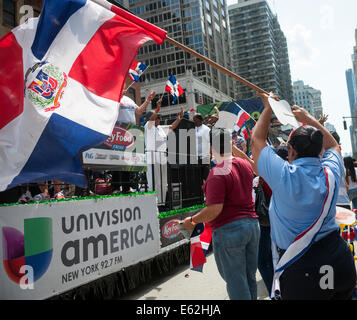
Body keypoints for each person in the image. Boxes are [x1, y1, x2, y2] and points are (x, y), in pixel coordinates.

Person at [251, 92, 356, 300]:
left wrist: (268, 107)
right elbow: (333, 145)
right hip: (340, 260)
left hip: (303, 270)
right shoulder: (331, 172)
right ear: (319, 152)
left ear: (290, 151)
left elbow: (256, 139)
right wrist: (308, 119)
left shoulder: (283, 175)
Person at [180, 128, 260, 300]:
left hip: (230, 230)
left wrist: (192, 220)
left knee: (236, 281)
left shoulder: (217, 172)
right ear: (231, 143)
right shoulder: (244, 165)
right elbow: (255, 169)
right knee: (249, 277)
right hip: (252, 226)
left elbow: (214, 209)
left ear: (211, 147)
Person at [112, 90, 156, 194]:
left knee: (128, 159)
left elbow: (139, 111)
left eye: (125, 87)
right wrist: (118, 95)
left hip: (130, 131)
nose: (125, 89)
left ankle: (126, 187)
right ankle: (116, 187)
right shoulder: (114, 98)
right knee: (116, 160)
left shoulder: (129, 100)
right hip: (118, 130)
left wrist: (148, 100)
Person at [145, 102, 184, 205]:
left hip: (162, 156)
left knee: (163, 182)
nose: (158, 119)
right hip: (153, 157)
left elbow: (172, 127)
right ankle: (153, 204)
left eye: (158, 118)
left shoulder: (160, 128)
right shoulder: (148, 126)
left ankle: (161, 203)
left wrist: (179, 118)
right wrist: (157, 108)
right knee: (154, 181)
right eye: (157, 118)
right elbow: (152, 119)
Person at [193, 113, 211, 182]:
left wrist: (209, 154)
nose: (193, 120)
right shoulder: (193, 129)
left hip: (205, 156)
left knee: (206, 176)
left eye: (195, 119)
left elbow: (210, 142)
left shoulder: (206, 129)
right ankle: (200, 192)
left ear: (199, 119)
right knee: (198, 177)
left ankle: (208, 191)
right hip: (196, 157)